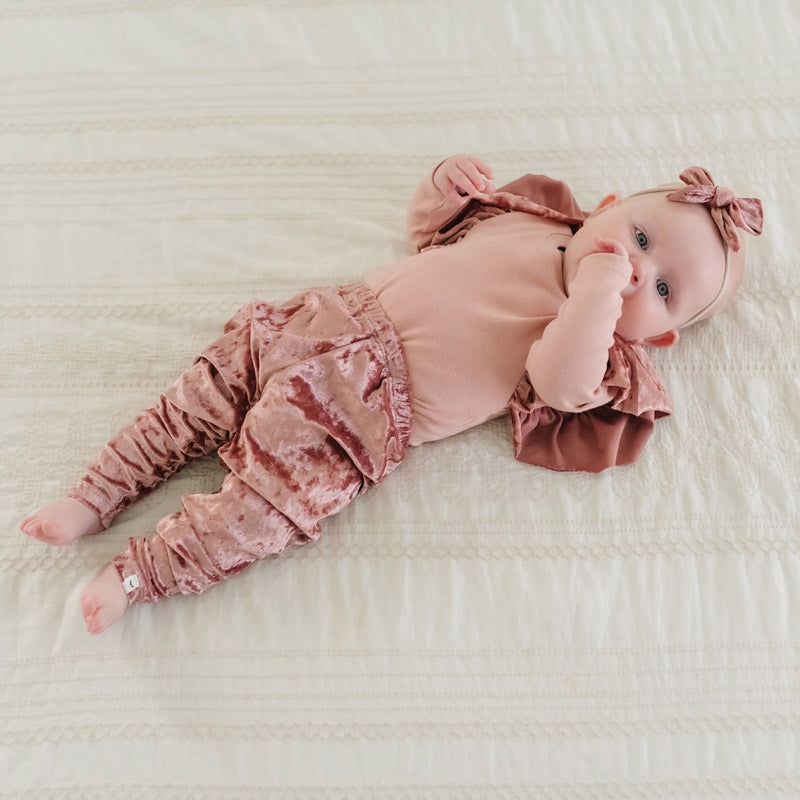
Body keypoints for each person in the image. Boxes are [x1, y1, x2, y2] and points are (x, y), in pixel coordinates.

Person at [20, 155, 763, 634]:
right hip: (322, 320)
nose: (636, 268)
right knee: (196, 395)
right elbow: (429, 232)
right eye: (638, 235)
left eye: (662, 289)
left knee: (264, 509)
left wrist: (600, 296)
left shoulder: (591, 346)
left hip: (360, 413)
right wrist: (447, 182)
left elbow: (560, 383)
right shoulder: (527, 220)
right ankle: (97, 495)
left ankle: (137, 574)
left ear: (660, 338)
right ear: (602, 205)